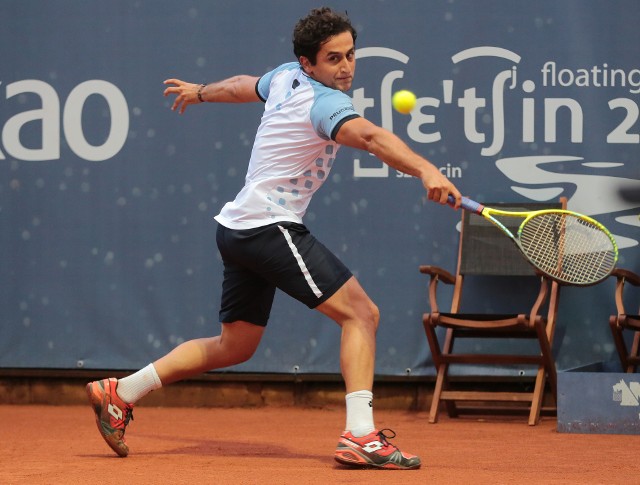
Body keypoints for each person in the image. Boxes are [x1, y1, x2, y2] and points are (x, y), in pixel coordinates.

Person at [86, 7, 461, 470]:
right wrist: (426, 169)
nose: (345, 67)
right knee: (361, 314)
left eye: (350, 55)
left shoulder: (284, 77)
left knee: (235, 346)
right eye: (332, 58)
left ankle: (120, 392)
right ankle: (361, 436)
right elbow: (368, 135)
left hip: (237, 228)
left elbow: (245, 84)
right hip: (268, 225)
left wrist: (200, 92)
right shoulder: (323, 103)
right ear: (309, 64)